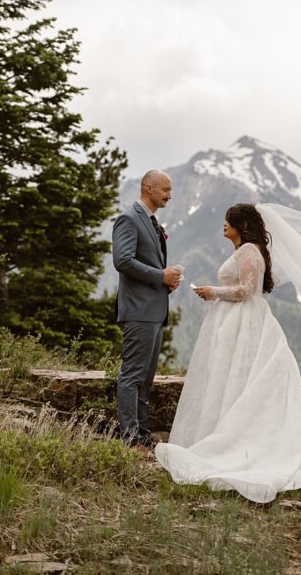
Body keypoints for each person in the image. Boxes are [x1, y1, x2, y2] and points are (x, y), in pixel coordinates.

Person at [154, 203, 301, 503]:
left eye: (229, 221)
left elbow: (247, 290)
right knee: (231, 378)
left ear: (242, 226)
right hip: (234, 321)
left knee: (242, 376)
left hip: (245, 322)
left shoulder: (249, 251)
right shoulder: (247, 250)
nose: (224, 225)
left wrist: (213, 292)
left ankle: (238, 444)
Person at [111, 170, 182, 449]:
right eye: (165, 189)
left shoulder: (152, 222)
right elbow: (123, 261)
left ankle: (142, 433)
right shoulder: (129, 218)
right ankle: (130, 436)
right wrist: (159, 276)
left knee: (146, 379)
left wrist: (167, 282)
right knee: (132, 375)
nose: (169, 195)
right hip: (139, 310)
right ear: (148, 187)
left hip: (154, 310)